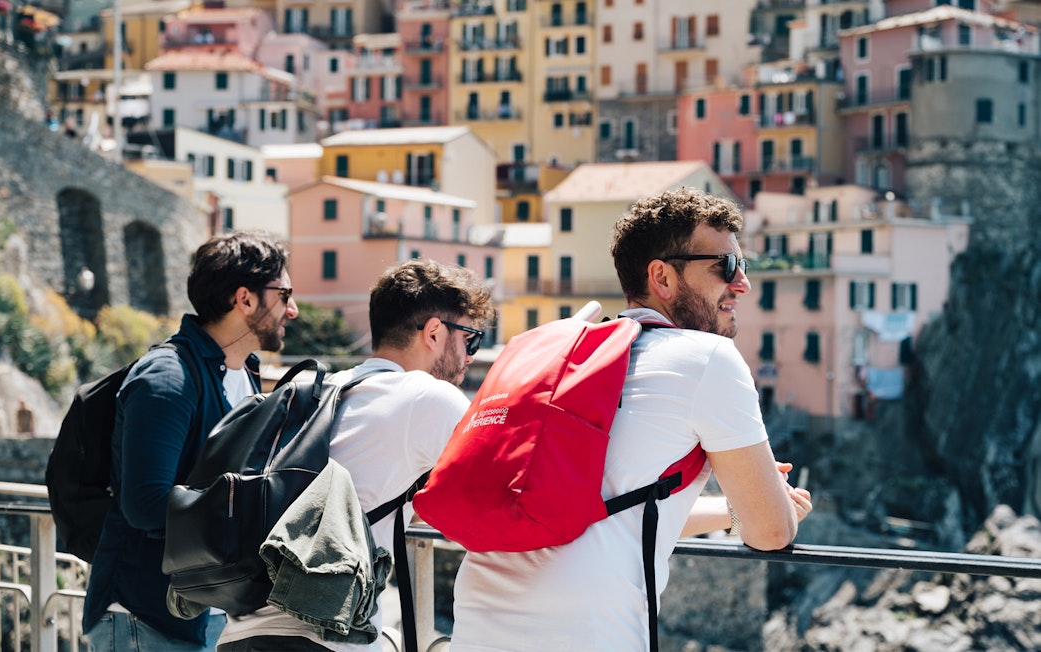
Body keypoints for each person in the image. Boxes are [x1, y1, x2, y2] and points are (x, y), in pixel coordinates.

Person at [450, 187, 813, 651]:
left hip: (477, 626)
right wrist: (773, 506)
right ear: (662, 277)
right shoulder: (709, 359)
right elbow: (771, 533)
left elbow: (606, 506)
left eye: (743, 266)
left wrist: (731, 508)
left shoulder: (572, 360)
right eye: (725, 266)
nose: (741, 283)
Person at [217, 258, 495, 651]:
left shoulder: (323, 391)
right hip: (322, 638)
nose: (469, 357)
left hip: (240, 635)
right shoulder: (427, 397)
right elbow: (493, 502)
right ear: (433, 332)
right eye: (470, 339)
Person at [83, 232, 299, 652]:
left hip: (202, 613)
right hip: (143, 616)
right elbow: (146, 504)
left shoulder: (245, 374)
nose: (292, 309)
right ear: (246, 299)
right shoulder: (168, 378)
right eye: (284, 293)